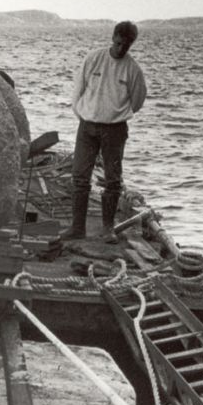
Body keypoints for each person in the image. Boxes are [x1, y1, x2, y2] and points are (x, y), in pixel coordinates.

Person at [64, 21, 147, 243]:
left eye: (126, 46)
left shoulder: (132, 69)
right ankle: (77, 228)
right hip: (87, 126)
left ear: (131, 44)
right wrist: (82, 113)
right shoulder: (93, 58)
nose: (121, 49)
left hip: (115, 129)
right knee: (80, 177)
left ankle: (108, 228)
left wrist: (116, 113)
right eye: (118, 43)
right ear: (113, 38)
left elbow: (138, 100)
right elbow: (78, 89)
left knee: (113, 180)